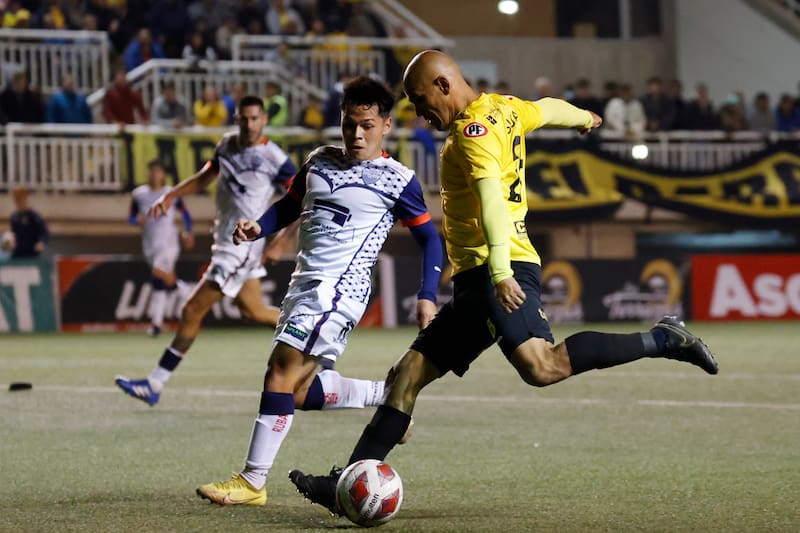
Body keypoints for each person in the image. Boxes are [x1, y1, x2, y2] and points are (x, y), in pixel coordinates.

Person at [288, 50, 719, 515]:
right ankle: (348, 481)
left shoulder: (472, 135)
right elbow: (546, 108)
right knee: (405, 376)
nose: (417, 111)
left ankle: (662, 338)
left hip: (502, 268)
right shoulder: (506, 108)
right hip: (480, 278)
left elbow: (491, 201)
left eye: (419, 99)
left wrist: (499, 272)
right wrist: (582, 118)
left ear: (445, 87)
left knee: (542, 367)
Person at [195, 76, 442, 506]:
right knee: (293, 393)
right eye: (349, 124)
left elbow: (430, 239)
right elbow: (290, 205)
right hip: (302, 287)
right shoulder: (319, 162)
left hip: (336, 294)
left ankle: (252, 482)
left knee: (279, 370)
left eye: (366, 125)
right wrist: (260, 227)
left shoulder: (397, 179)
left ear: (386, 125)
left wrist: (428, 294)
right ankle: (387, 399)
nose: (357, 134)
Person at [114, 95, 294, 406]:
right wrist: (171, 195)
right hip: (225, 242)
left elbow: (299, 198)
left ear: (264, 120)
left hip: (240, 246)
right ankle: (311, 335)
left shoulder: (274, 158)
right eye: (243, 118)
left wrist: (281, 240)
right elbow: (206, 176)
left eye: (255, 119)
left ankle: (155, 383)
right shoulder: (226, 145)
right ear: (237, 119)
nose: (249, 124)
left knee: (191, 310)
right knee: (253, 311)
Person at [129, 160, 194, 336]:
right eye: (151, 171)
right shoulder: (139, 194)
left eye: (157, 171)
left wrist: (188, 231)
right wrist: (137, 221)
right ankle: (184, 293)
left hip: (168, 242)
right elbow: (131, 217)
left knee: (158, 273)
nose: (154, 175)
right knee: (160, 282)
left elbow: (185, 213)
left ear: (163, 174)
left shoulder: (171, 193)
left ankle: (157, 322)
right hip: (149, 243)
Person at [7, 188, 49, 259]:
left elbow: (44, 233)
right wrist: (9, 242)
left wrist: (41, 242)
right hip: (18, 255)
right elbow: (13, 234)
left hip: (32, 255)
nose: (19, 202)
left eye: (21, 199)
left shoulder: (34, 216)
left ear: (26, 199)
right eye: (17, 200)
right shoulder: (14, 217)